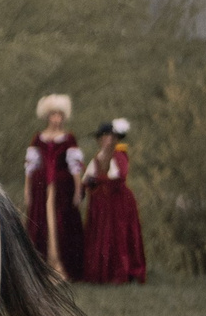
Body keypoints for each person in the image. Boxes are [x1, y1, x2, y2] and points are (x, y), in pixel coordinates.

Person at [81, 118, 147, 284]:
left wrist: (98, 180)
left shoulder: (119, 156)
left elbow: (119, 177)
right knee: (101, 237)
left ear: (115, 139)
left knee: (119, 237)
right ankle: (101, 274)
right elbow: (87, 179)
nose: (106, 140)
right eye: (103, 137)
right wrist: (86, 186)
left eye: (109, 136)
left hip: (119, 203)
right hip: (101, 205)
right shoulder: (97, 157)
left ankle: (121, 273)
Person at [25, 94, 85, 278]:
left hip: (62, 187)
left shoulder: (68, 139)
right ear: (47, 116)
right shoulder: (38, 139)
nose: (57, 119)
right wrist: (27, 190)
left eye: (60, 115)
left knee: (63, 223)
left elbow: (75, 167)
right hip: (41, 186)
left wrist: (77, 189)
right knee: (40, 222)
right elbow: (30, 166)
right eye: (53, 115)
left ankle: (62, 267)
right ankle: (43, 267)